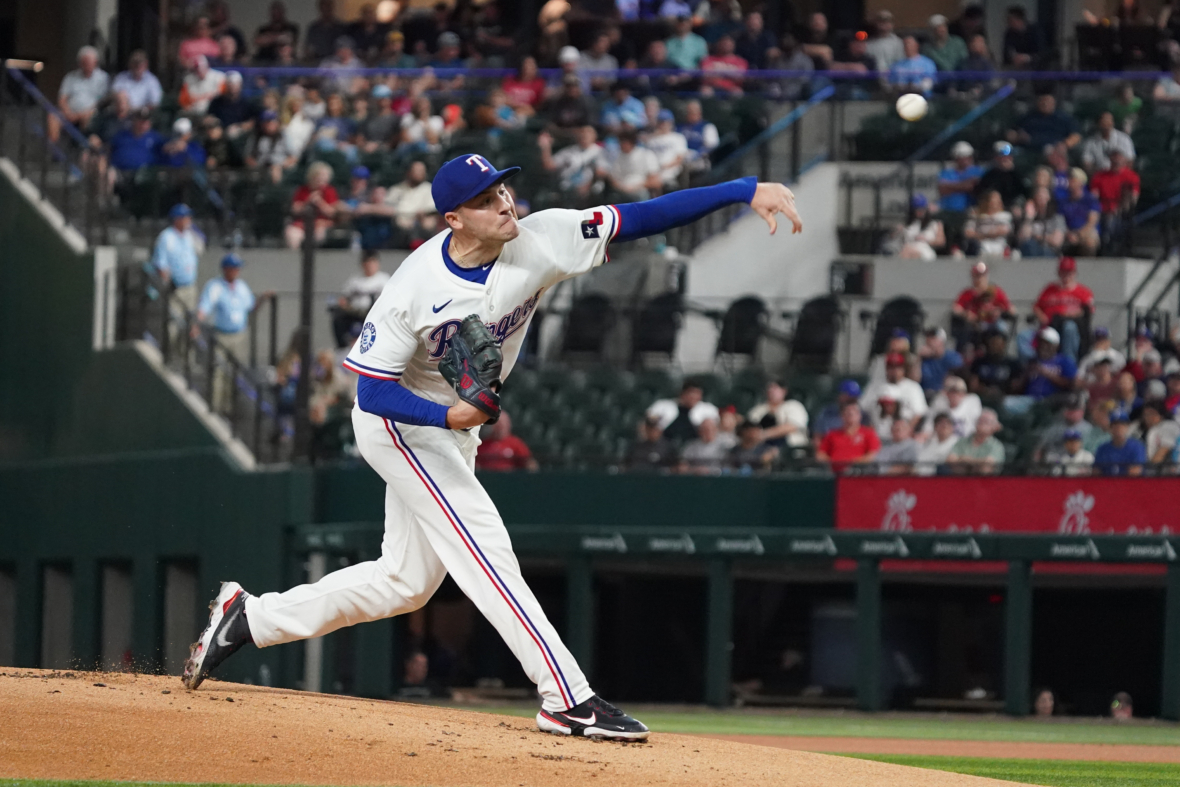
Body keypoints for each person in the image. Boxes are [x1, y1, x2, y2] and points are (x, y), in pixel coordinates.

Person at [181, 154, 802, 744]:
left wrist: (742, 190)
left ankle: (250, 618)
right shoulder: (415, 286)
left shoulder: (542, 237)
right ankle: (565, 696)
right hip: (403, 422)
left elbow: (639, 217)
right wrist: (447, 414)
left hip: (455, 427)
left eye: (503, 189)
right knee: (484, 546)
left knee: (405, 584)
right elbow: (371, 392)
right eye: (485, 200)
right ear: (454, 218)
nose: (505, 203)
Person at [194, 253, 256, 413]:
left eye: (238, 268)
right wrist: (196, 324)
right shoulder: (215, 286)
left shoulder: (242, 286)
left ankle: (229, 408)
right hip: (221, 335)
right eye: (234, 268)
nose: (237, 271)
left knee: (235, 371)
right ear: (226, 269)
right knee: (218, 370)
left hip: (239, 335)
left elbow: (251, 306)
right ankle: (215, 406)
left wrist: (263, 298)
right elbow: (204, 307)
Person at [1031, 256, 1094, 361]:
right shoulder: (1049, 289)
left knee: (1069, 328)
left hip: (1072, 327)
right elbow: (1036, 307)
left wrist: (1069, 315)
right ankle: (1035, 365)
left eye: (1069, 272)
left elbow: (1088, 311)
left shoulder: (1084, 292)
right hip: (1050, 326)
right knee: (1023, 336)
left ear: (1074, 273)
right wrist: (1042, 317)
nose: (1066, 276)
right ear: (1059, 273)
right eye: (1063, 272)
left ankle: (1068, 363)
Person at [333, 250, 391, 347]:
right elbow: (344, 298)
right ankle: (342, 347)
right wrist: (344, 304)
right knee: (338, 318)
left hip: (376, 313)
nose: (370, 265)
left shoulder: (384, 279)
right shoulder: (355, 280)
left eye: (372, 262)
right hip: (356, 313)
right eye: (367, 262)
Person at [51, 46, 110, 142]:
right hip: (70, 112)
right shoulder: (70, 77)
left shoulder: (103, 78)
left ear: (95, 62)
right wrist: (68, 113)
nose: (86, 65)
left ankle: (81, 147)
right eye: (84, 62)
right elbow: (62, 99)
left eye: (89, 62)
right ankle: (53, 148)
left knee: (89, 117)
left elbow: (101, 102)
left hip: (90, 112)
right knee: (53, 116)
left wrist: (79, 115)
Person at [151, 204, 201, 314]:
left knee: (191, 319)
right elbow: (160, 264)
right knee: (175, 320)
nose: (189, 220)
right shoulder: (166, 237)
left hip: (190, 286)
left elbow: (200, 249)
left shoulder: (189, 235)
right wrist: (167, 283)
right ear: (177, 219)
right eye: (186, 217)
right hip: (175, 289)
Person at [861, 353, 928, 432]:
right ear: (886, 369)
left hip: (903, 433)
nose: (894, 371)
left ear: (903, 369)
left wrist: (906, 431)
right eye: (891, 367)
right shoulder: (875, 386)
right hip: (878, 432)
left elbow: (919, 413)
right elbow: (862, 409)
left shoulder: (913, 387)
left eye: (898, 367)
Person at [954, 262, 1014, 344]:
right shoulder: (968, 293)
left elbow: (1011, 310)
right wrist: (966, 314)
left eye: (982, 276)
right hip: (975, 326)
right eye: (977, 276)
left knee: (1000, 331)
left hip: (994, 327)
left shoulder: (996, 291)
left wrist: (999, 312)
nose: (980, 279)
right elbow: (956, 308)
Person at [383, 161, 440, 248]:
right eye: (416, 171)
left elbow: (430, 209)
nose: (419, 174)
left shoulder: (429, 189)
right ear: (409, 172)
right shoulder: (396, 189)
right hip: (399, 223)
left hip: (421, 222)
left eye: (421, 171)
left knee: (428, 222)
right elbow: (388, 207)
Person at [285, 162, 340, 249]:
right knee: (292, 234)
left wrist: (319, 202)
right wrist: (308, 201)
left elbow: (332, 213)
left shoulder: (330, 191)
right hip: (303, 223)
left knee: (318, 236)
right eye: (319, 176)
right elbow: (295, 210)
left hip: (321, 224)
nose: (322, 179)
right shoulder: (302, 190)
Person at [539, 126, 604, 198]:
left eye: (587, 135)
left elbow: (602, 172)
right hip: (565, 189)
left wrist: (590, 183)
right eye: (582, 135)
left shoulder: (599, 151)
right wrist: (546, 148)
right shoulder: (569, 151)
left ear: (594, 137)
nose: (584, 137)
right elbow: (549, 166)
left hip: (588, 191)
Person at [647, 381, 721, 443]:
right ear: (682, 394)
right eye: (691, 394)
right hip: (665, 445)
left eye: (697, 394)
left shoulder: (709, 409)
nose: (694, 397)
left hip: (694, 447)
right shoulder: (663, 405)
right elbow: (648, 423)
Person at [817, 400, 881, 472]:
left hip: (859, 471)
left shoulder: (869, 433)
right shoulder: (832, 434)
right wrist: (834, 463)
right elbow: (820, 455)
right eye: (847, 412)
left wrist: (853, 463)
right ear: (842, 416)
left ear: (859, 415)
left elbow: (873, 455)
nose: (851, 414)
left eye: (854, 412)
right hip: (834, 472)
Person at [1009, 91, 1080, 152]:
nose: (1045, 104)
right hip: (1028, 149)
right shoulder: (1028, 117)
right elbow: (1013, 132)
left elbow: (1076, 136)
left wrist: (1065, 145)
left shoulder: (1064, 118)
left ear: (1054, 103)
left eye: (1048, 101)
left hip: (1054, 149)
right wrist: (1017, 136)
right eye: (1042, 101)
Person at [747, 380, 808, 449]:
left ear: (784, 391)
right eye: (769, 388)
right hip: (759, 447)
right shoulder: (759, 409)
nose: (771, 391)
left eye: (775, 388)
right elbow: (748, 425)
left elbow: (792, 426)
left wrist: (764, 434)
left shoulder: (793, 405)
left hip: (790, 447)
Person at [1023, 326, 1078, 402]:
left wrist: (1045, 372)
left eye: (1046, 343)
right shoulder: (1033, 361)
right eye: (1041, 343)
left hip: (1052, 401)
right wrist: (1026, 375)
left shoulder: (1064, 361)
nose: (1043, 346)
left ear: (1055, 346)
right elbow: (1016, 387)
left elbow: (1071, 384)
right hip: (1030, 400)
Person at [970, 328, 1023, 403]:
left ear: (1004, 344)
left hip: (1006, 399)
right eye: (993, 343)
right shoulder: (979, 362)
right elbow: (973, 384)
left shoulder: (1013, 364)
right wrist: (986, 390)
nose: (995, 347)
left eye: (998, 344)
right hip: (982, 397)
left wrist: (1001, 391)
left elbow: (1017, 386)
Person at [606, 131, 661, 201]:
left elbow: (655, 181)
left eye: (624, 142)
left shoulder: (646, 155)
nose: (621, 145)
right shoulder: (617, 157)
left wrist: (635, 187)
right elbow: (613, 178)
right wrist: (622, 188)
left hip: (641, 190)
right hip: (621, 191)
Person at [1034, 394, 1092, 460]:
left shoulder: (1088, 429)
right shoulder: (1055, 427)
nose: (1070, 412)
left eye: (1074, 410)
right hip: (1055, 460)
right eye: (1068, 409)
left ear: (1082, 412)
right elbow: (1040, 448)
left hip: (1078, 461)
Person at [947, 408, 1006, 474]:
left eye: (986, 421)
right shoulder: (962, 441)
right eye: (980, 420)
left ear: (994, 426)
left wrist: (963, 460)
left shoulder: (997, 446)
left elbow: (988, 463)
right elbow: (950, 459)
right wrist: (978, 463)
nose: (982, 423)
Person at [891, 194, 944, 260]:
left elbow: (941, 242)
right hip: (908, 248)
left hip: (925, 251)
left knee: (908, 252)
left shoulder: (935, 224)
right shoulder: (910, 225)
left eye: (922, 210)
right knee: (904, 251)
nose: (919, 212)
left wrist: (924, 239)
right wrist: (899, 231)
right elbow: (896, 239)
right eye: (917, 210)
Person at [646, 110, 690, 189]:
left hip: (671, 169)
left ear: (671, 123)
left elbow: (680, 158)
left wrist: (665, 166)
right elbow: (647, 157)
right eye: (661, 122)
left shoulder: (678, 137)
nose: (663, 125)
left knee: (664, 180)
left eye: (666, 122)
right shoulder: (651, 140)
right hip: (653, 169)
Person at [962, 189, 1013, 257]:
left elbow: (1003, 231)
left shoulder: (1005, 216)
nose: (994, 204)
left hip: (999, 246)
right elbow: (968, 233)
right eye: (992, 201)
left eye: (997, 201)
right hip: (979, 246)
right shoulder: (975, 215)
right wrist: (989, 234)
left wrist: (981, 235)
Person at [1019, 186, 1066, 257]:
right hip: (1031, 251)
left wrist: (1037, 236)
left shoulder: (1057, 218)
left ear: (1049, 198)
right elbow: (1022, 238)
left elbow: (1056, 241)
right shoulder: (1030, 218)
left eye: (1044, 195)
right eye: (1039, 195)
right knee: (1030, 245)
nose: (1041, 197)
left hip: (1050, 252)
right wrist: (1029, 218)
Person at [1094, 409, 1145, 475]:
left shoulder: (1137, 447)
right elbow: (1096, 473)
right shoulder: (1102, 449)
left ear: (1127, 427)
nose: (1119, 428)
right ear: (1110, 428)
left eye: (1122, 425)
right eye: (1115, 425)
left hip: (1128, 481)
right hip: (1106, 481)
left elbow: (1135, 472)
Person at [939, 142, 984, 213]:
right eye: (962, 157)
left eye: (968, 157)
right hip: (949, 210)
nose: (966, 160)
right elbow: (942, 189)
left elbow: (974, 188)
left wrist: (951, 186)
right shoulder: (947, 172)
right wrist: (966, 185)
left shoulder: (978, 171)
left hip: (971, 210)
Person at [977, 142, 1025, 209]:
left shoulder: (1017, 175)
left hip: (1014, 208)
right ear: (996, 157)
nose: (1007, 159)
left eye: (1009, 156)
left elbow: (1023, 192)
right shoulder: (989, 176)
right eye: (1003, 156)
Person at [919, 328, 964, 395]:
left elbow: (958, 377)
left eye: (933, 338)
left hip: (946, 394)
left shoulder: (953, 357)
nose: (929, 341)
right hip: (925, 393)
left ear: (941, 341)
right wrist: (919, 358)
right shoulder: (924, 359)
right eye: (928, 337)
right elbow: (915, 379)